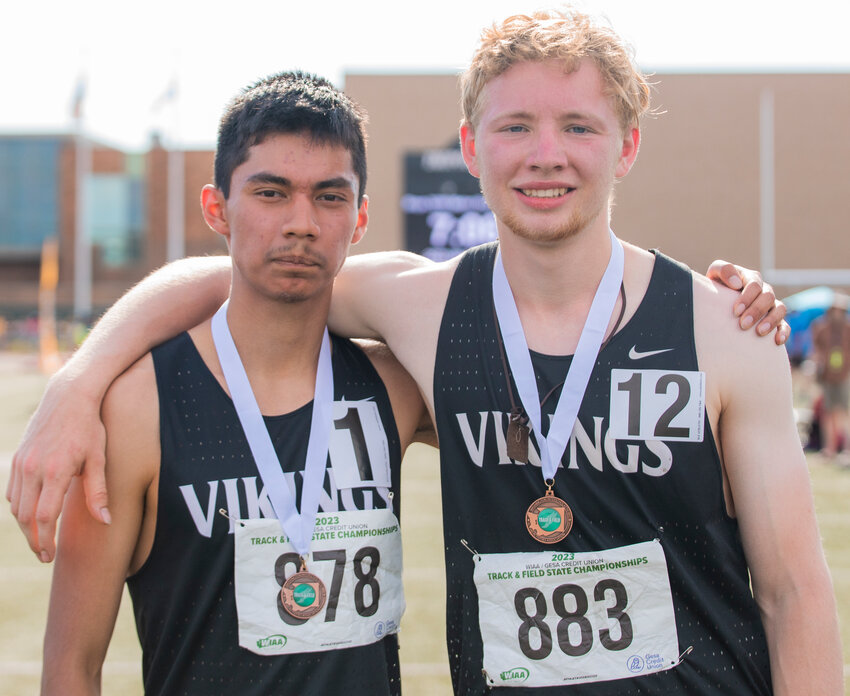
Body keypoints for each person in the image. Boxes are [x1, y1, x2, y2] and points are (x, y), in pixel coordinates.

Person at [8, 8, 804, 695]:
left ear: (626, 146)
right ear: (470, 145)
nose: (545, 153)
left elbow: (793, 592)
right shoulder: (422, 309)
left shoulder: (719, 327)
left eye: (578, 126)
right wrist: (76, 385)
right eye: (516, 126)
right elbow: (231, 278)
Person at [40, 71, 427, 696]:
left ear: (359, 220)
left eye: (330, 197)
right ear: (217, 208)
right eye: (271, 193)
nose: (301, 222)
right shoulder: (137, 408)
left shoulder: (395, 387)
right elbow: (70, 672)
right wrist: (77, 384)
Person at [811, 295, 850, 457]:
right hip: (827, 377)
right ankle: (830, 448)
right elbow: (816, 351)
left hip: (844, 376)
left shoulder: (848, 329)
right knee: (827, 414)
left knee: (844, 413)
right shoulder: (822, 328)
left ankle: (847, 450)